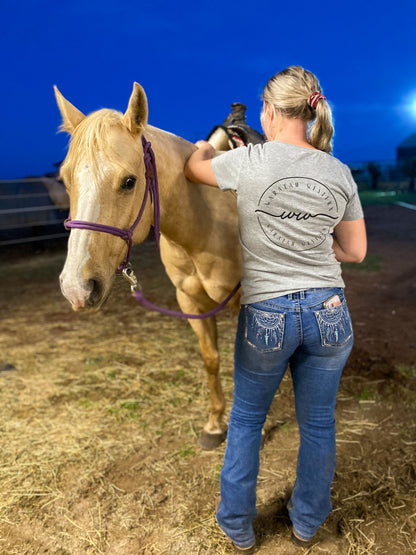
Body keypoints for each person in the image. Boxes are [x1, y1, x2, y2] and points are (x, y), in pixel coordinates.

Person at [184, 65, 367, 553]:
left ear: (267, 111)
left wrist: (210, 145)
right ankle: (308, 524)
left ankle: (239, 527)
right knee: (320, 423)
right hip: (329, 310)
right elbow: (355, 252)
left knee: (245, 420)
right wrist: (308, 243)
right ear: (311, 110)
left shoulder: (249, 162)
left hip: (268, 314)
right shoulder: (339, 170)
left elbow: (192, 168)